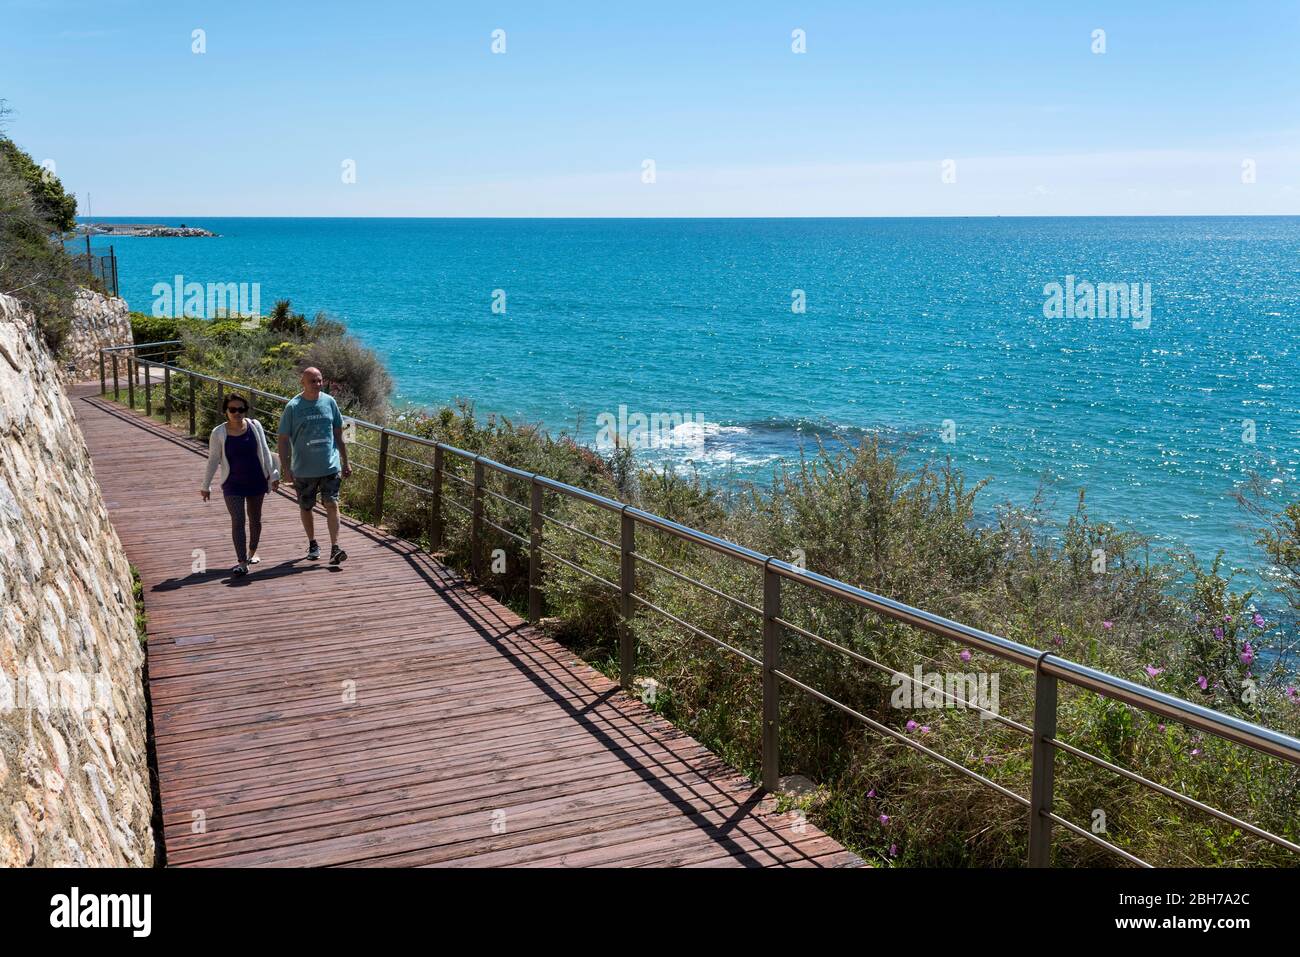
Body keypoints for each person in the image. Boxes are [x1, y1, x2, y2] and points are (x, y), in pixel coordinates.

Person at [278, 366, 352, 564]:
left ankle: (335, 548)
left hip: (330, 466)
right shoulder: (293, 407)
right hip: (304, 469)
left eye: (320, 380)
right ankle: (313, 543)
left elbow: (339, 432)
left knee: (332, 503)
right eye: (313, 381)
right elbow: (283, 439)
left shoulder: (330, 402)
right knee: (306, 506)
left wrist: (346, 461)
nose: (318, 384)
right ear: (303, 382)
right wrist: (286, 469)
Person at [201, 394, 279, 576]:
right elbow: (213, 460)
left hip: (257, 480)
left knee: (255, 520)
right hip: (232, 484)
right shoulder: (218, 433)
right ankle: (242, 562)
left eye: (241, 409)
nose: (237, 413)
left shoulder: (255, 426)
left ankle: (252, 552)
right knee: (238, 521)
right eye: (233, 409)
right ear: (226, 411)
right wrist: (206, 485)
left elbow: (265, 451)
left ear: (246, 410)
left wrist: (273, 475)